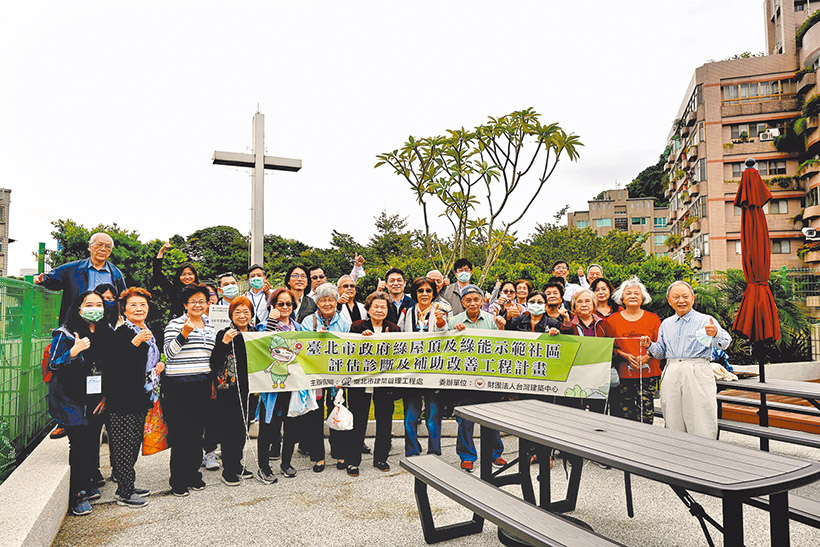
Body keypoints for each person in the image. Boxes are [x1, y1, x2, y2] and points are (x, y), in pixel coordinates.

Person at [640, 281, 732, 438]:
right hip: (672, 369)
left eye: (685, 296)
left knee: (700, 416)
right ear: (669, 300)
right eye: (676, 297)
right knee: (672, 415)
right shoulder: (666, 324)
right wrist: (649, 345)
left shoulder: (706, 320)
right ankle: (676, 455)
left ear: (693, 298)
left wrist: (715, 333)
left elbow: (725, 343)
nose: (681, 300)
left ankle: (702, 454)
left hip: (697, 368)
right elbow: (661, 353)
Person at [47, 290, 110, 516]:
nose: (95, 308)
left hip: (95, 398)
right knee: (80, 445)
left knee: (92, 442)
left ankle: (88, 481)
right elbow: (53, 365)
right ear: (78, 308)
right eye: (89, 304)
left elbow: (110, 367)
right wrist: (73, 351)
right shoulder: (64, 333)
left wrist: (105, 396)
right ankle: (77, 494)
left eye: (99, 304)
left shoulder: (105, 331)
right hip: (70, 399)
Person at [105, 287, 159, 508]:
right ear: (124, 309)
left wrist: (158, 368)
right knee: (123, 446)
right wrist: (135, 343)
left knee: (133, 443)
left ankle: (129, 483)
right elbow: (115, 366)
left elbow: (146, 363)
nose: (139, 309)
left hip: (140, 396)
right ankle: (124, 493)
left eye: (143, 305)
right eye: (133, 305)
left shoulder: (146, 329)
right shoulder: (121, 333)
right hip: (121, 400)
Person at [162, 284, 216, 497]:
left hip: (202, 385)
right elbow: (169, 353)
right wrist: (184, 333)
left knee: (196, 434)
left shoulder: (210, 326)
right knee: (181, 434)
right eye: (193, 301)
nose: (197, 305)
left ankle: (194, 474)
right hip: (178, 386)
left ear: (207, 303)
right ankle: (178, 480)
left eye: (202, 301)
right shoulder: (175, 324)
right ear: (185, 304)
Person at [447, 285, 505, 472]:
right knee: (465, 419)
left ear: (482, 300)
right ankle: (467, 456)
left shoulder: (492, 320)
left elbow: (504, 346)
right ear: (462, 302)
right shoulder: (454, 321)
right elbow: (446, 348)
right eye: (468, 300)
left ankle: (495, 454)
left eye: (476, 299)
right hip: (465, 379)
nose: (473, 303)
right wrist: (454, 333)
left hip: (489, 377)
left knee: (493, 417)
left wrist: (502, 328)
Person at [347, 292, 402, 476]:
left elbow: (399, 356)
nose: (379, 310)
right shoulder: (357, 326)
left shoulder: (394, 329)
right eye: (375, 307)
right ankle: (353, 460)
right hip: (360, 383)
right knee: (358, 420)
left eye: (383, 307)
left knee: (384, 421)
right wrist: (361, 340)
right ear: (368, 309)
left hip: (384, 384)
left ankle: (381, 458)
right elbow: (348, 352)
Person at [301, 283, 352, 472]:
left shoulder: (344, 322)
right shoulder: (309, 321)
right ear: (317, 302)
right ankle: (318, 457)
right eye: (323, 300)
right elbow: (304, 347)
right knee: (314, 417)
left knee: (337, 413)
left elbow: (349, 347)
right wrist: (317, 337)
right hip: (315, 377)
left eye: (331, 299)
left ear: (336, 301)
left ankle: (339, 454)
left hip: (337, 377)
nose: (327, 303)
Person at [209, 296, 257, 485]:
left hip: (250, 389)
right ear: (231, 315)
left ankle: (237, 464)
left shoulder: (255, 334)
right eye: (237, 312)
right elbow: (214, 362)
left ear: (252, 315)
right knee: (229, 430)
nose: (242, 316)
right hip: (228, 390)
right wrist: (224, 343)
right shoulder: (224, 333)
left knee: (242, 429)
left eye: (246, 312)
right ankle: (228, 470)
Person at [398, 277, 448, 459]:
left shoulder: (440, 312)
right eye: (421, 291)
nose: (424, 294)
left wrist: (441, 321)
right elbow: (400, 338)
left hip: (433, 371)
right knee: (411, 415)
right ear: (415, 293)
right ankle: (412, 451)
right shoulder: (408, 313)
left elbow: (445, 333)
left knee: (433, 417)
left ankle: (434, 451)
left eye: (428, 290)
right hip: (412, 371)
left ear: (434, 293)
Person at [259, 287, 306, 478]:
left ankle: (286, 463)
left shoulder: (300, 329)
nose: (285, 307)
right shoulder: (264, 325)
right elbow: (261, 344)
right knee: (268, 426)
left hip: (293, 386)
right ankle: (264, 466)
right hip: (271, 387)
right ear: (273, 305)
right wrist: (272, 319)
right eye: (281, 304)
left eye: (289, 303)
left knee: (292, 426)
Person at [604, 277, 662, 424]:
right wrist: (624, 355)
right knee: (624, 414)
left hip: (648, 373)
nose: (633, 296)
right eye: (628, 293)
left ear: (642, 298)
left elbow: (661, 345)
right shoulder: (612, 320)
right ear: (621, 298)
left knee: (646, 413)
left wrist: (648, 356)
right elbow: (609, 347)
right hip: (623, 374)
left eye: (636, 293)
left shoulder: (654, 319)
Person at [35, 233, 127, 323]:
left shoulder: (116, 273)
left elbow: (123, 299)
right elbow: (53, 280)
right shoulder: (72, 269)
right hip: (76, 322)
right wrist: (42, 280)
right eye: (99, 245)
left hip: (106, 324)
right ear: (90, 246)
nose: (103, 249)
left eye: (108, 246)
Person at [152, 241, 201, 319]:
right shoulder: (173, 290)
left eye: (190, 274)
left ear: (195, 275)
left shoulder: (201, 290)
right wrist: (161, 251)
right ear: (178, 276)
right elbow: (157, 274)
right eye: (183, 274)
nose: (187, 277)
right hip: (176, 324)